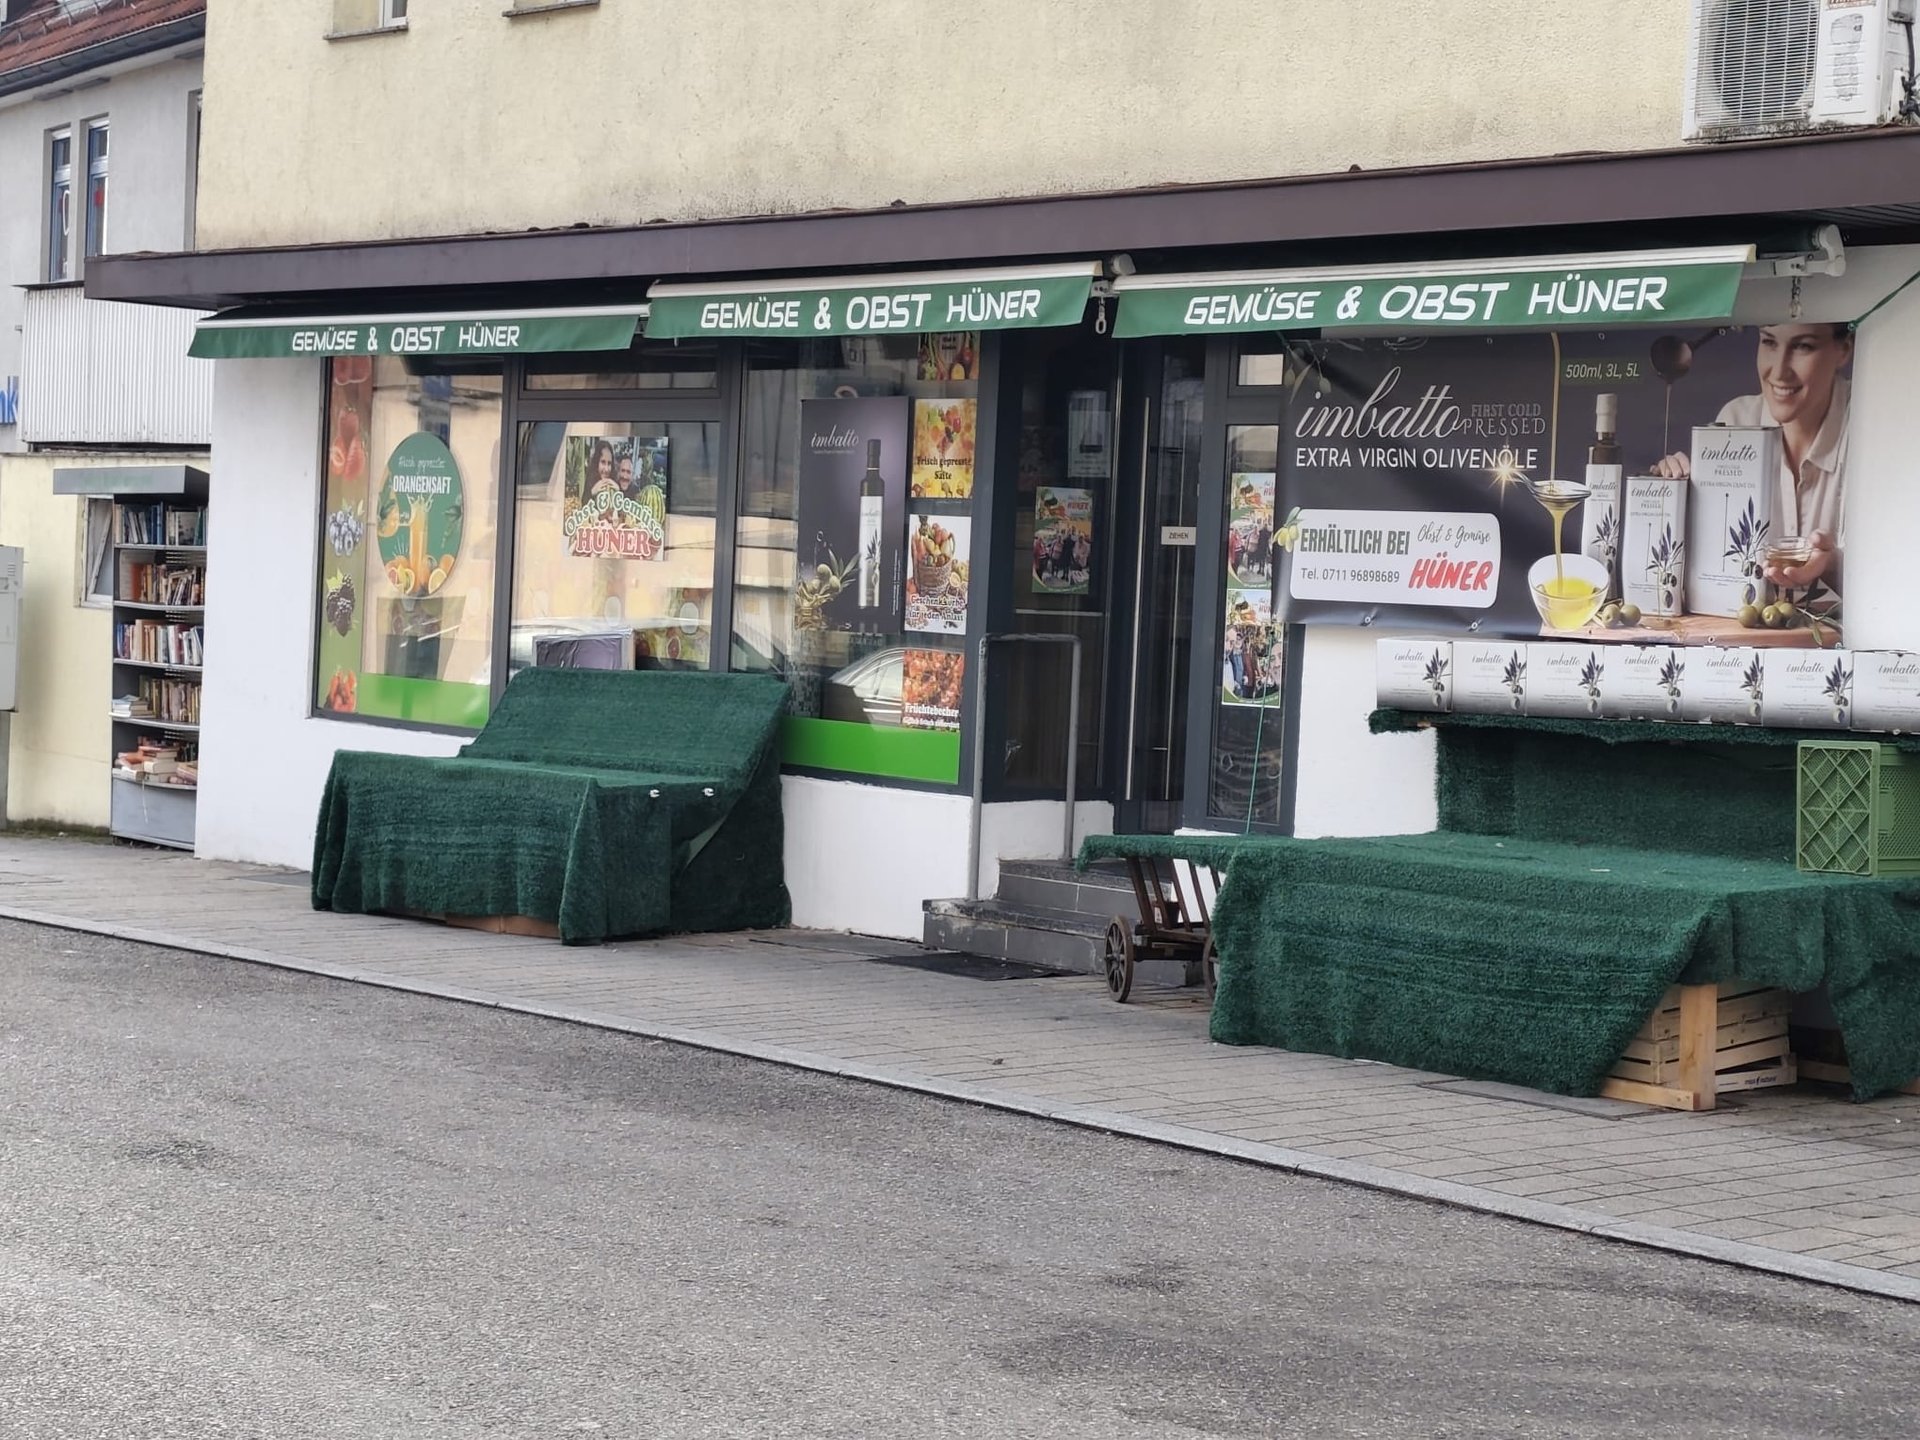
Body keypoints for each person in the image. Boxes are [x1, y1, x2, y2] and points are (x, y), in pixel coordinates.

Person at [1651, 322, 1852, 597]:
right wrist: (1676, 500)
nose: (1779, 371)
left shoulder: (1872, 421)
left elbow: (1901, 578)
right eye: (1769, 342)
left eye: (1803, 346)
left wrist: (1833, 566)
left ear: (1844, 350)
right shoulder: (1736, 421)